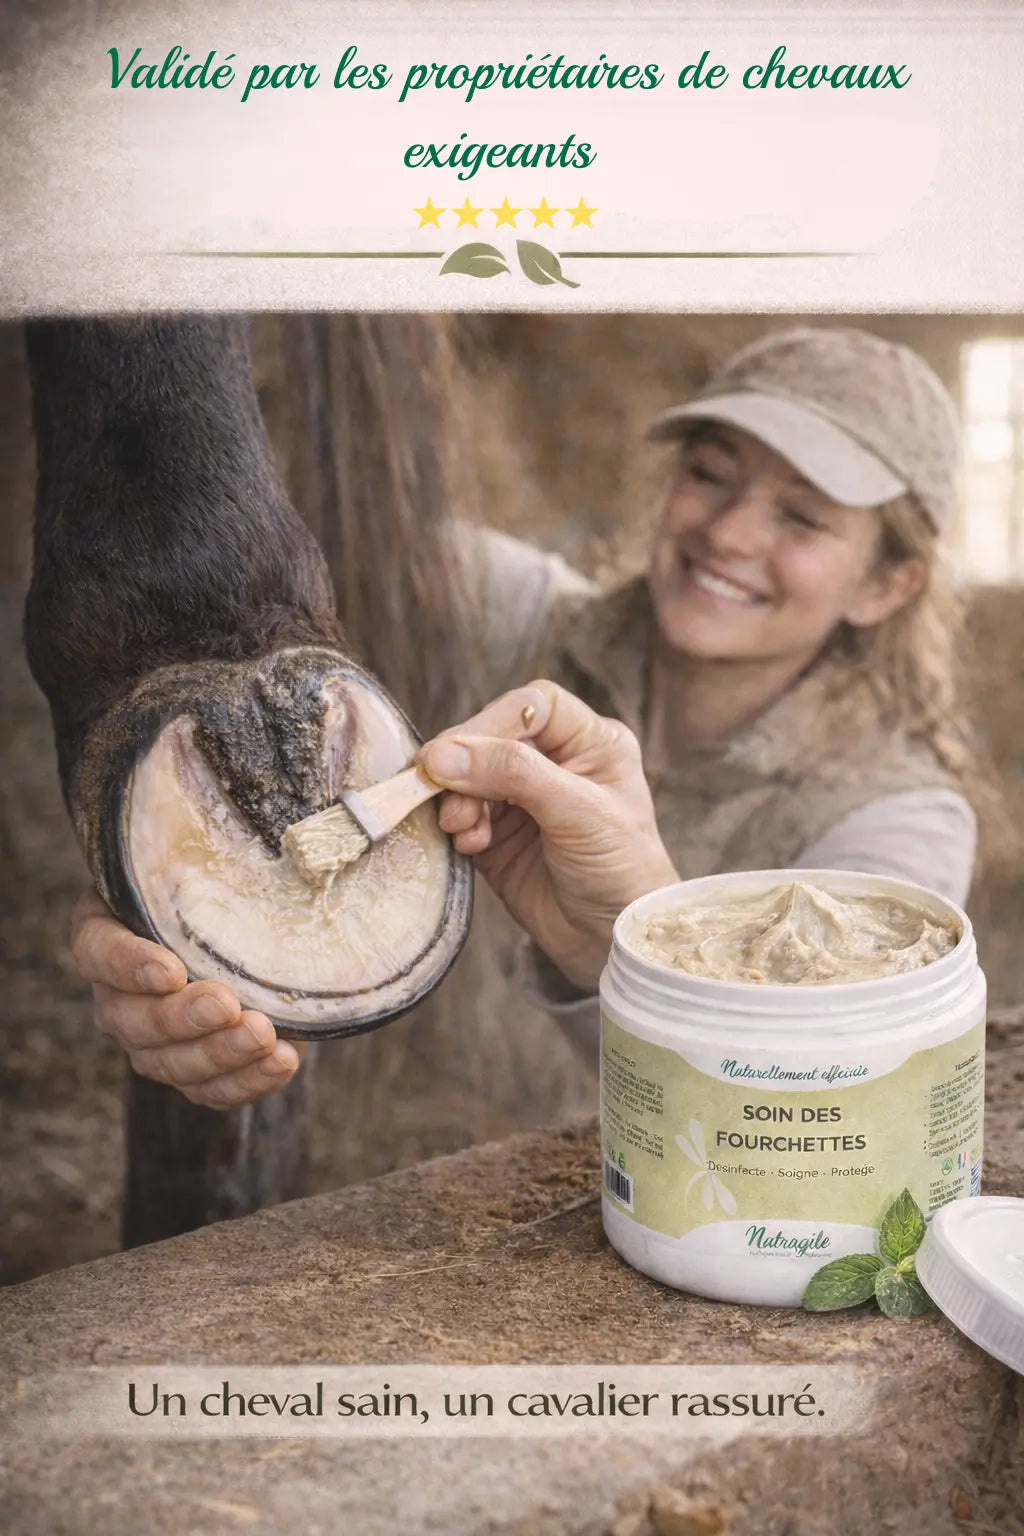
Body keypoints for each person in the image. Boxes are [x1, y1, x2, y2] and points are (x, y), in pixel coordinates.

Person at [71, 324, 994, 1105]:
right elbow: (264, 554)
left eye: (802, 517)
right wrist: (157, 847)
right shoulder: (510, 616)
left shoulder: (894, 824)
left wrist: (635, 933)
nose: (731, 533)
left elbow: (834, 1103)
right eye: (712, 474)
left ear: (885, 585)